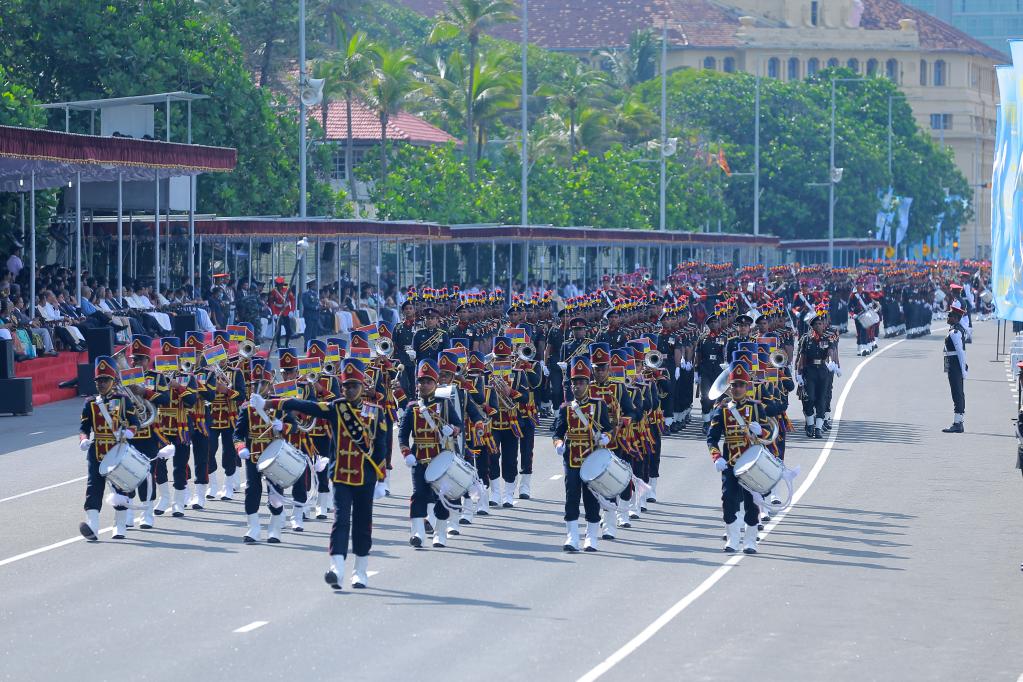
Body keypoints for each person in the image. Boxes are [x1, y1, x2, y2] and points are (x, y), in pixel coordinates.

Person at [398, 359, 463, 548]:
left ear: (435, 384)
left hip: (440, 458)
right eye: (421, 381)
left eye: (428, 381)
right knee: (418, 494)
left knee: (441, 497)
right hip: (419, 458)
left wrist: (453, 429)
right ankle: (417, 532)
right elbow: (402, 435)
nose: (424, 385)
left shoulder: (444, 403)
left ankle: (440, 533)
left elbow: (459, 424)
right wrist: (406, 453)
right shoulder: (412, 407)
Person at [706, 363, 770, 554]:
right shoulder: (723, 410)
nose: (737, 389)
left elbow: (769, 437)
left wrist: (762, 431)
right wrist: (716, 457)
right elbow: (712, 439)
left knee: (752, 503)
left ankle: (750, 541)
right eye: (734, 385)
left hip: (752, 465)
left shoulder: (757, 408)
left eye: (741, 385)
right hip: (730, 463)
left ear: (747, 386)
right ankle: (733, 539)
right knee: (728, 499)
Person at [552, 357, 612, 552]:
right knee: (571, 498)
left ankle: (591, 538)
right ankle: (572, 537)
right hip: (571, 458)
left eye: (581, 382)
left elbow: (608, 429)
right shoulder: (567, 408)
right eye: (574, 383)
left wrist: (605, 437)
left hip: (592, 458)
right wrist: (559, 443)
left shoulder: (599, 405)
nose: (577, 386)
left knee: (591, 499)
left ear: (588, 384)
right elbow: (558, 433)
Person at [78, 355, 140, 541]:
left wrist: (129, 432)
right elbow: (84, 427)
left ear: (113, 381)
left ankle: (119, 526)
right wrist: (83, 439)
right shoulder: (90, 402)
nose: (101, 383)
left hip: (117, 449)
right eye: (98, 380)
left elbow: (134, 422)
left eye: (105, 380)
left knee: (120, 489)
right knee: (93, 488)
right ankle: (93, 527)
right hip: (96, 451)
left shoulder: (123, 400)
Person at [942, 302, 968, 433]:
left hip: (955, 365)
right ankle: (958, 421)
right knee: (957, 392)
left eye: (950, 315)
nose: (948, 317)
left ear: (956, 318)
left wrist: (963, 370)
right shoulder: (954, 329)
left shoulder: (955, 332)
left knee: (957, 393)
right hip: (953, 364)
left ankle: (958, 423)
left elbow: (961, 352)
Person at [269, 276, 296, 347]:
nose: (280, 286)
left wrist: (292, 311)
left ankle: (287, 343)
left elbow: (292, 300)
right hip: (277, 311)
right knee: (278, 329)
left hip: (286, 311)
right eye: (278, 284)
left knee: (288, 329)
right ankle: (278, 344)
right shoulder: (273, 291)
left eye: (281, 284)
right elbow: (271, 303)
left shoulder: (287, 290)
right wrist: (274, 313)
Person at [301, 278, 321, 347]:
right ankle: (307, 346)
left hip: (315, 315)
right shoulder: (306, 294)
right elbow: (306, 304)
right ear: (311, 285)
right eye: (315, 285)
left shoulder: (315, 294)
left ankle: (313, 346)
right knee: (309, 331)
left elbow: (317, 303)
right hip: (309, 315)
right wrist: (314, 307)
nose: (316, 286)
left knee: (314, 332)